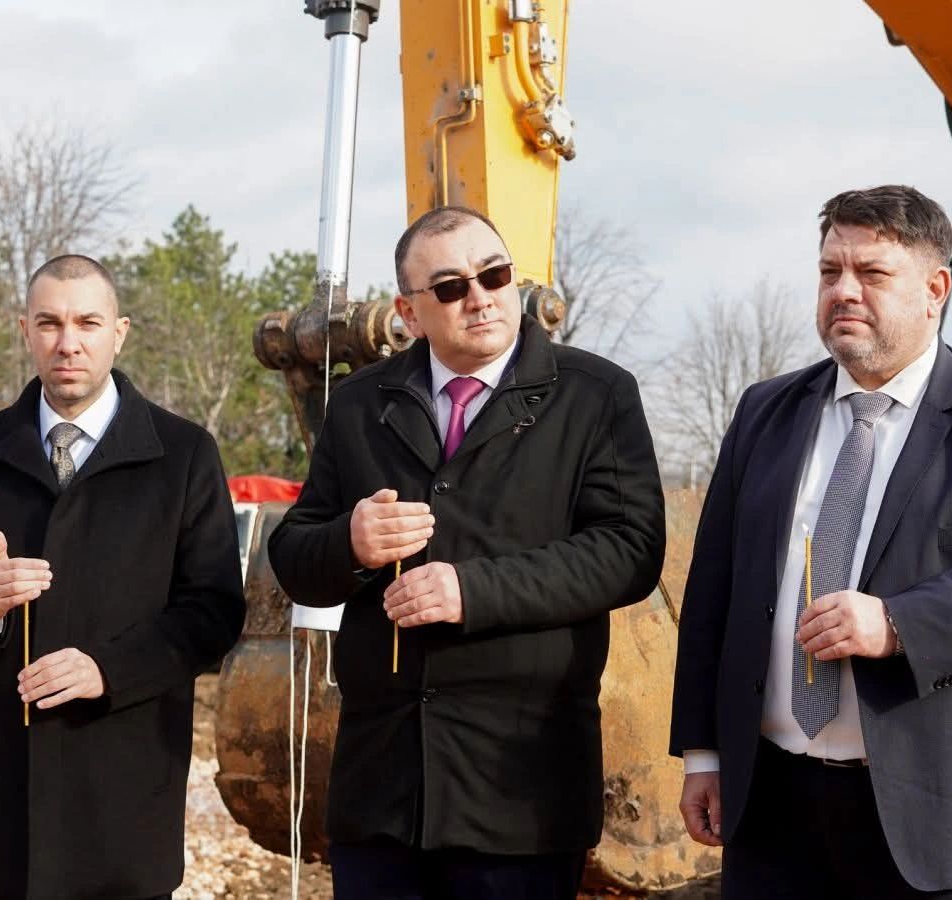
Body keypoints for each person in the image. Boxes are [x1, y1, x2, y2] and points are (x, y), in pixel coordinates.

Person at [669, 185, 952, 898]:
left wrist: (899, 623)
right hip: (773, 809)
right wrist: (703, 752)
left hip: (947, 813)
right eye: (829, 271)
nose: (843, 291)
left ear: (935, 290)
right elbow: (715, 587)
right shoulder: (765, 411)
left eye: (871, 273)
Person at [269, 205, 666, 899]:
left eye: (495, 275)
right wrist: (350, 542)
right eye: (451, 287)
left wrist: (473, 590)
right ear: (409, 312)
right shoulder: (360, 404)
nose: (480, 298)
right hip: (381, 790)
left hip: (518, 788)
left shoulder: (595, 395)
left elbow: (630, 549)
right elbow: (295, 556)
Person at [0, 254, 246, 899]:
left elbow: (214, 612)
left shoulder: (183, 454)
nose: (68, 343)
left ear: (119, 332)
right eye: (49, 323)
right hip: (0, 804)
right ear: (24, 331)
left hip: (122, 802)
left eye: (87, 322)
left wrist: (107, 670)